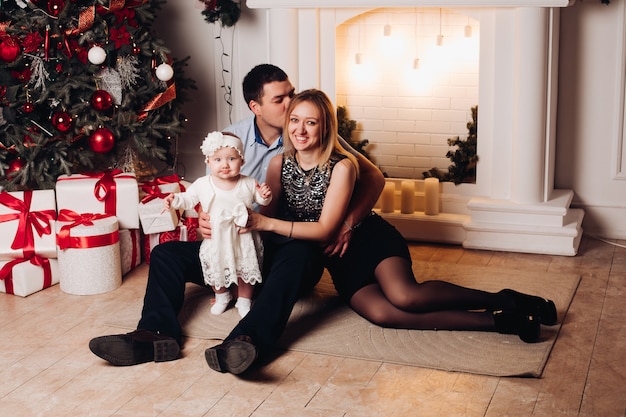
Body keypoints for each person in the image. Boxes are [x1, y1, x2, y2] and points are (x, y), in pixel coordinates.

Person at [88, 64, 385, 368]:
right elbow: (208, 197)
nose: (292, 106)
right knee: (166, 254)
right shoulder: (228, 143)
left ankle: (247, 341)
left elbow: (373, 177)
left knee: (299, 255)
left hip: (286, 245)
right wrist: (205, 220)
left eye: (292, 95)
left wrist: (346, 224)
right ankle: (155, 334)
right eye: (280, 100)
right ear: (255, 107)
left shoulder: (313, 132)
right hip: (237, 242)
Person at [240, 89, 558, 352]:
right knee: (384, 314)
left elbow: (322, 228)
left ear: (325, 127)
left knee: (406, 296)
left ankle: (504, 299)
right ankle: (502, 321)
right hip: (338, 259)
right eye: (294, 120)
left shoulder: (342, 166)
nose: (300, 129)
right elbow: (267, 218)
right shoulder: (278, 163)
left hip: (368, 240)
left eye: (311, 122)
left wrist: (264, 224)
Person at [163, 131, 272, 318]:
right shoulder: (202, 184)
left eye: (231, 158)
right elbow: (188, 199)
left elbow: (261, 201)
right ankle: (222, 295)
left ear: (242, 161)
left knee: (244, 270)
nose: (225, 164)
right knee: (214, 267)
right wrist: (174, 200)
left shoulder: (247, 183)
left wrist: (265, 195)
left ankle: (244, 300)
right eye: (218, 159)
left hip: (242, 237)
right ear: (208, 162)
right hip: (216, 237)